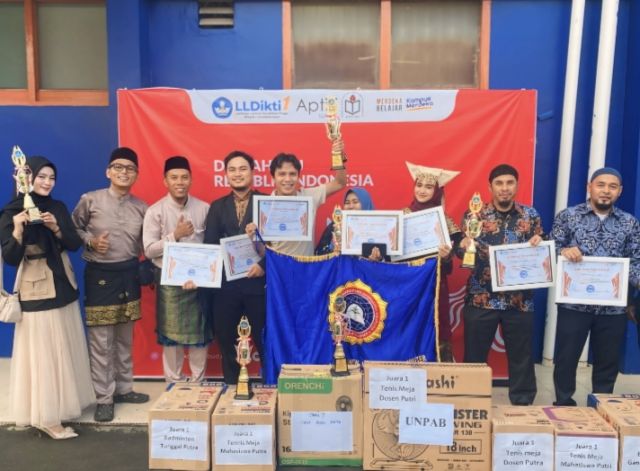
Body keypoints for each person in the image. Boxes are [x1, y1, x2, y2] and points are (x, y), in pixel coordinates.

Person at [0, 156, 95, 439]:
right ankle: (46, 416)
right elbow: (11, 259)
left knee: (64, 345)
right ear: (24, 178)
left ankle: (63, 405)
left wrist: (56, 227)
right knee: (41, 352)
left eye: (51, 178)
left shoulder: (57, 207)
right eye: (41, 176)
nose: (46, 182)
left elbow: (75, 244)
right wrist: (18, 230)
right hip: (35, 287)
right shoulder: (10, 213)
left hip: (62, 282)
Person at [550, 167, 640, 406]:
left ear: (619, 192)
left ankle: (600, 406)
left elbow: (635, 260)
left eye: (612, 187)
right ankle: (564, 403)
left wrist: (638, 280)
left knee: (607, 362)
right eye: (600, 185)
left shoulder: (630, 223)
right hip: (574, 304)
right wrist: (563, 251)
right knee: (566, 358)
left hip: (613, 308)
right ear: (589, 187)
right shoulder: (568, 216)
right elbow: (550, 250)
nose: (606, 191)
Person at [71, 147, 149, 422]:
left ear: (136, 174)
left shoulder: (142, 207)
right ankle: (104, 397)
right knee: (102, 340)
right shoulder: (90, 200)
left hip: (129, 273)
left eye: (129, 168)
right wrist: (91, 241)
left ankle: (124, 388)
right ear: (108, 171)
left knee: (124, 337)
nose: (123, 172)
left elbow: (146, 245)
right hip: (100, 276)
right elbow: (73, 230)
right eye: (118, 167)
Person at [456, 164, 543, 405]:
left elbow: (540, 251)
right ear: (490, 187)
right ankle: (470, 402)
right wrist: (461, 246)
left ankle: (523, 403)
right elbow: (463, 254)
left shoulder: (531, 215)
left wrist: (539, 242)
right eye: (499, 183)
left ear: (516, 185)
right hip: (481, 296)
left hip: (520, 300)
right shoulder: (474, 216)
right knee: (474, 356)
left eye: (509, 183)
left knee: (521, 355)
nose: (504, 188)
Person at [143, 156, 212, 383]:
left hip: (199, 283)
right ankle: (173, 384)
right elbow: (149, 250)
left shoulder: (204, 208)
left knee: (199, 336)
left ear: (191, 179)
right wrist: (175, 235)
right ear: (165, 181)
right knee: (171, 339)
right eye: (174, 177)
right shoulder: (155, 212)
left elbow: (212, 247)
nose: (179, 182)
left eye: (184, 177)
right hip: (170, 284)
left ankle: (198, 382)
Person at [204, 151, 266, 384]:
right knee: (227, 338)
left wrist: (263, 265)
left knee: (263, 337)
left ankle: (269, 384)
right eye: (232, 169)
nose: (237, 174)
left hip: (258, 284)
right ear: (226, 174)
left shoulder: (266, 202)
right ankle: (233, 385)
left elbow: (277, 245)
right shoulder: (217, 207)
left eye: (243, 169)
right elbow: (210, 245)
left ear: (252, 172)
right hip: (226, 287)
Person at [404, 162, 463, 362]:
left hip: (436, 286)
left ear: (437, 191)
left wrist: (446, 257)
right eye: (419, 185)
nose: (422, 190)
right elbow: (392, 257)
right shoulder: (403, 216)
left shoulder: (445, 222)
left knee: (437, 325)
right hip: (409, 285)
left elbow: (450, 267)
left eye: (429, 187)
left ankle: (439, 375)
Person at [257, 143, 347, 257]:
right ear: (273, 178)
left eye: (292, 174)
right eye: (282, 174)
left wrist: (338, 157)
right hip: (278, 270)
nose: (287, 179)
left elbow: (340, 183)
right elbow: (262, 251)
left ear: (298, 176)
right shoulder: (264, 206)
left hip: (306, 269)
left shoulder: (309, 196)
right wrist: (254, 238)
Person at [315, 187, 375, 256]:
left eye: (355, 202)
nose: (351, 206)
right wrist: (333, 248)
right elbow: (319, 253)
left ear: (365, 203)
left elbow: (385, 259)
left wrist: (375, 257)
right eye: (347, 203)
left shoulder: (375, 226)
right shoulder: (336, 225)